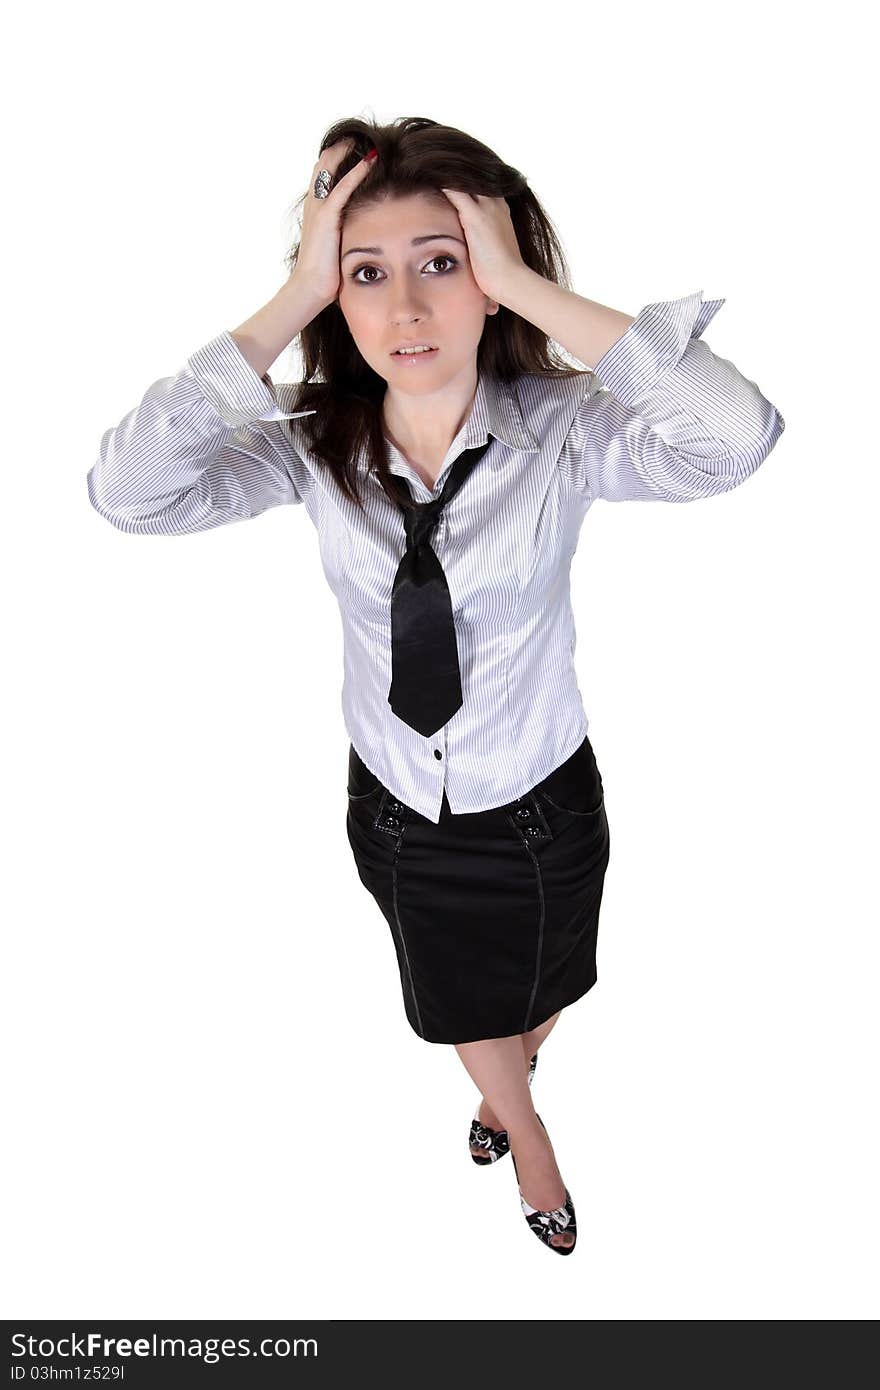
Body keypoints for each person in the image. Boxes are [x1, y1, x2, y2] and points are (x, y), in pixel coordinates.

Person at [87, 117, 786, 1255]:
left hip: (542, 795)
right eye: (365, 274)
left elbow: (735, 438)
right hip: (400, 806)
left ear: (493, 279)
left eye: (441, 264)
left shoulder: (565, 433)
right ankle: (529, 1135)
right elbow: (127, 492)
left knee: (556, 978)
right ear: (332, 297)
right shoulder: (309, 447)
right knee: (460, 1002)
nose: (404, 310)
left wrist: (521, 280)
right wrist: (292, 293)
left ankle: (506, 1082)